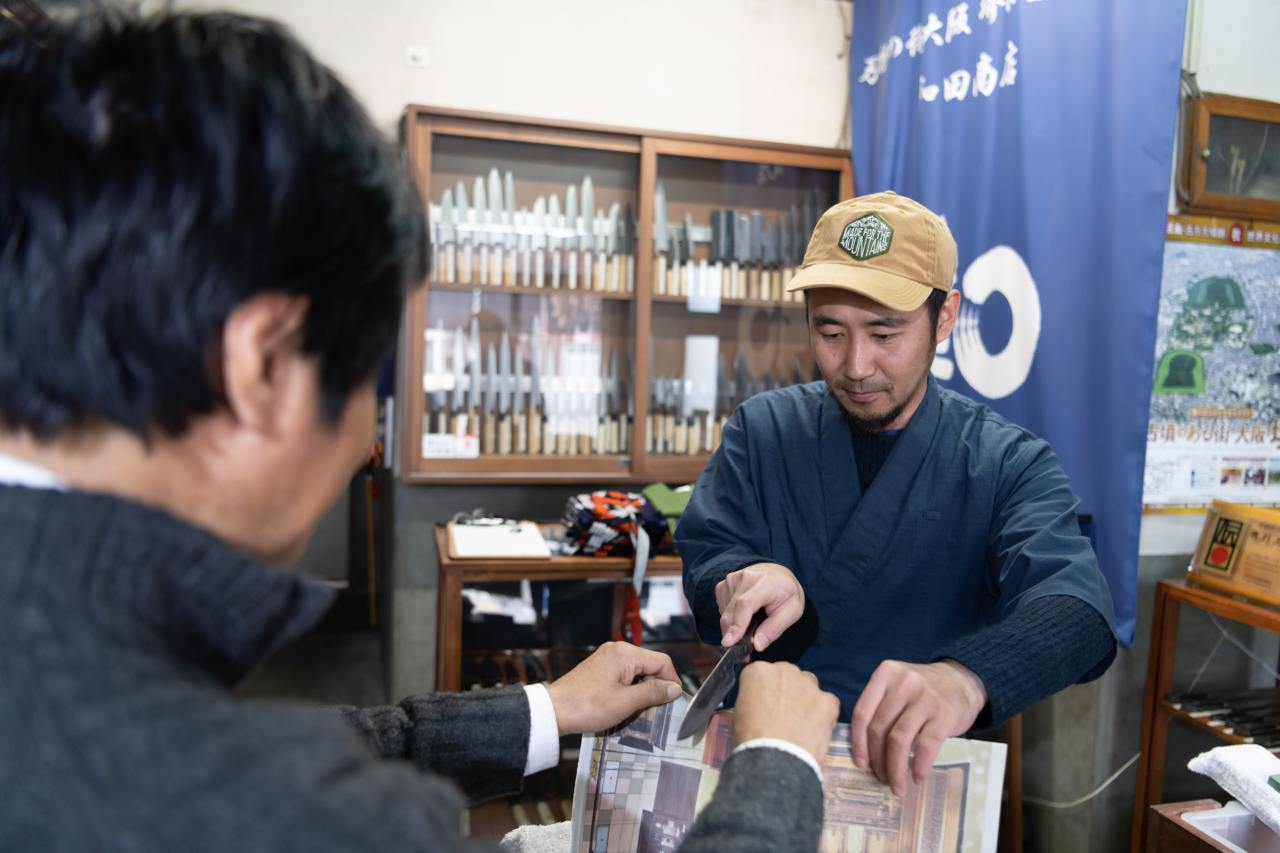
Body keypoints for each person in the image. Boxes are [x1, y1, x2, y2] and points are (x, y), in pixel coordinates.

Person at [0, 10, 839, 851]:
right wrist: (774, 769)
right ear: (261, 365)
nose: (367, 436)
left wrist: (546, 707)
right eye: (372, 379)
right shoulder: (298, 813)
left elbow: (291, 741)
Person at [678, 191, 1119, 797]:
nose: (856, 365)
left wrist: (964, 680)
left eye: (885, 333)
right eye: (830, 332)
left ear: (945, 318)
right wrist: (741, 579)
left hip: (914, 776)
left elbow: (1079, 611)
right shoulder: (763, 431)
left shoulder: (1005, 462)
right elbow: (709, 556)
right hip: (764, 754)